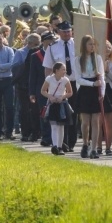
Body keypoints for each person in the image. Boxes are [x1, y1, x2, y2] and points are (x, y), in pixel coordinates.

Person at [42, 21, 78, 152]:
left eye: (69, 31)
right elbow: (48, 68)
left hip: (75, 82)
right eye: (64, 32)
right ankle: (62, 143)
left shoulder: (77, 44)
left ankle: (72, 142)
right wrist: (48, 86)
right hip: (59, 84)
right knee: (61, 116)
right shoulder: (52, 47)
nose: (67, 34)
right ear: (59, 32)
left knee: (73, 114)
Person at [73, 35, 105, 159]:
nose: (92, 47)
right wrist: (92, 83)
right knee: (85, 122)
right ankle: (85, 144)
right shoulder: (78, 59)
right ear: (84, 46)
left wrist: (102, 91)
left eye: (93, 44)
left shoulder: (98, 59)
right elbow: (79, 79)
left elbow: (101, 77)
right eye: (90, 44)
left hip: (96, 90)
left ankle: (94, 148)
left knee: (95, 121)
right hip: (85, 90)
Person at [41, 62, 74, 155]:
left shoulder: (65, 80)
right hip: (52, 104)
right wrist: (49, 96)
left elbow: (70, 92)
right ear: (57, 70)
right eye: (63, 69)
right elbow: (43, 90)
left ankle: (60, 147)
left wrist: (62, 97)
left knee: (61, 126)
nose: (65, 71)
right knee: (54, 126)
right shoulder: (49, 79)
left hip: (62, 104)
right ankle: (54, 146)